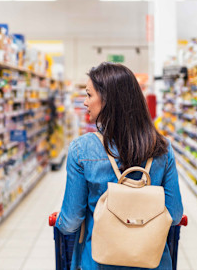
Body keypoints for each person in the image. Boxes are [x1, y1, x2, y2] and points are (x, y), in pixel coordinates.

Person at [56, 62, 183, 270]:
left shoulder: (82, 149)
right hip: (153, 262)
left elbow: (71, 222)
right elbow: (175, 214)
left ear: (106, 100)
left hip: (99, 262)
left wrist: (59, 222)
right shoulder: (162, 147)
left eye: (89, 95)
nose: (85, 102)